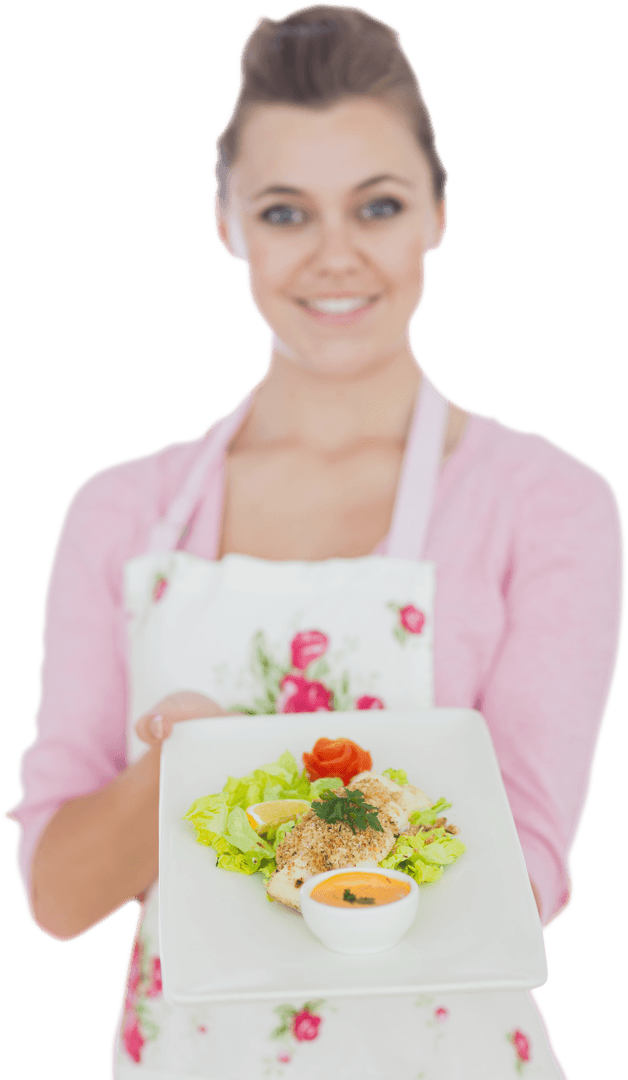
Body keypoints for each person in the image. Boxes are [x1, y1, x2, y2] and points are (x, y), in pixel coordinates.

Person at [3, 4, 624, 1078]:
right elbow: (57, 897)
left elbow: (514, 886)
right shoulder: (118, 511)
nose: (335, 258)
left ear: (437, 208)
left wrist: (227, 766)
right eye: (285, 213)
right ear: (225, 222)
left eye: (376, 205)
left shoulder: (546, 502)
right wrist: (174, 774)